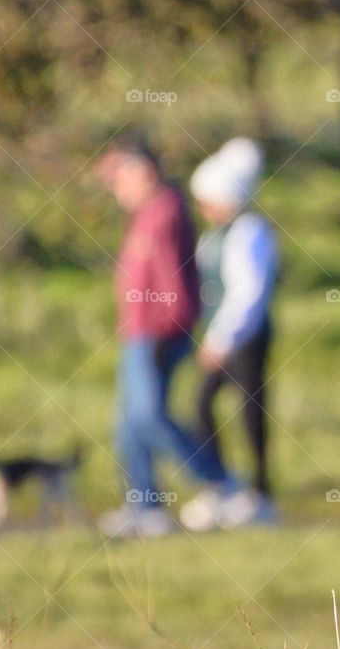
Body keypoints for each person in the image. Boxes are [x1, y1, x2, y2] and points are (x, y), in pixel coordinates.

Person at [96, 134, 250, 538]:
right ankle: (144, 506)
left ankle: (221, 482)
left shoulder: (165, 213)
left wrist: (168, 331)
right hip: (138, 333)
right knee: (130, 423)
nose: (115, 188)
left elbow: (174, 286)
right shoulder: (148, 214)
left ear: (144, 172)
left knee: (147, 416)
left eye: (120, 177)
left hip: (157, 334)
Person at [181, 138, 279, 531]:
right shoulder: (213, 235)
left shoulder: (249, 232)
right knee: (202, 406)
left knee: (250, 412)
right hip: (218, 338)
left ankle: (260, 492)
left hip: (245, 339)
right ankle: (220, 484)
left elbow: (249, 292)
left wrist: (222, 338)